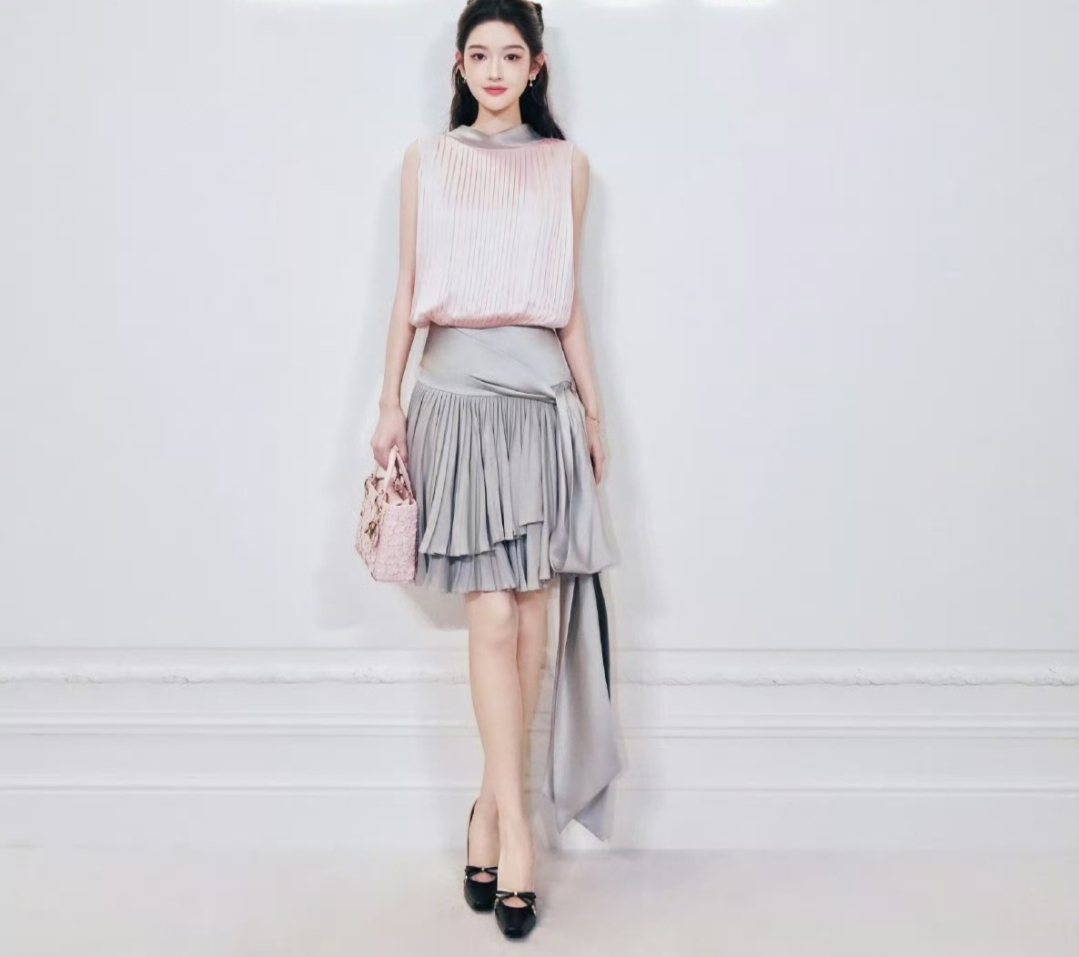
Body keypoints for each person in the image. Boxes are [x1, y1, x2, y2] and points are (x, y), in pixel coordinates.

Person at [371, 0, 622, 941]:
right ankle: (518, 831)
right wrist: (388, 404)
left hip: (540, 405)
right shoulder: (427, 161)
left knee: (529, 624)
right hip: (456, 404)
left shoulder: (566, 166)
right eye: (478, 54)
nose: (493, 69)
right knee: (490, 616)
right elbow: (406, 289)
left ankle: (485, 809)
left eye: (510, 55)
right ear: (459, 64)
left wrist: (594, 411)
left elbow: (570, 301)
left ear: (536, 66)